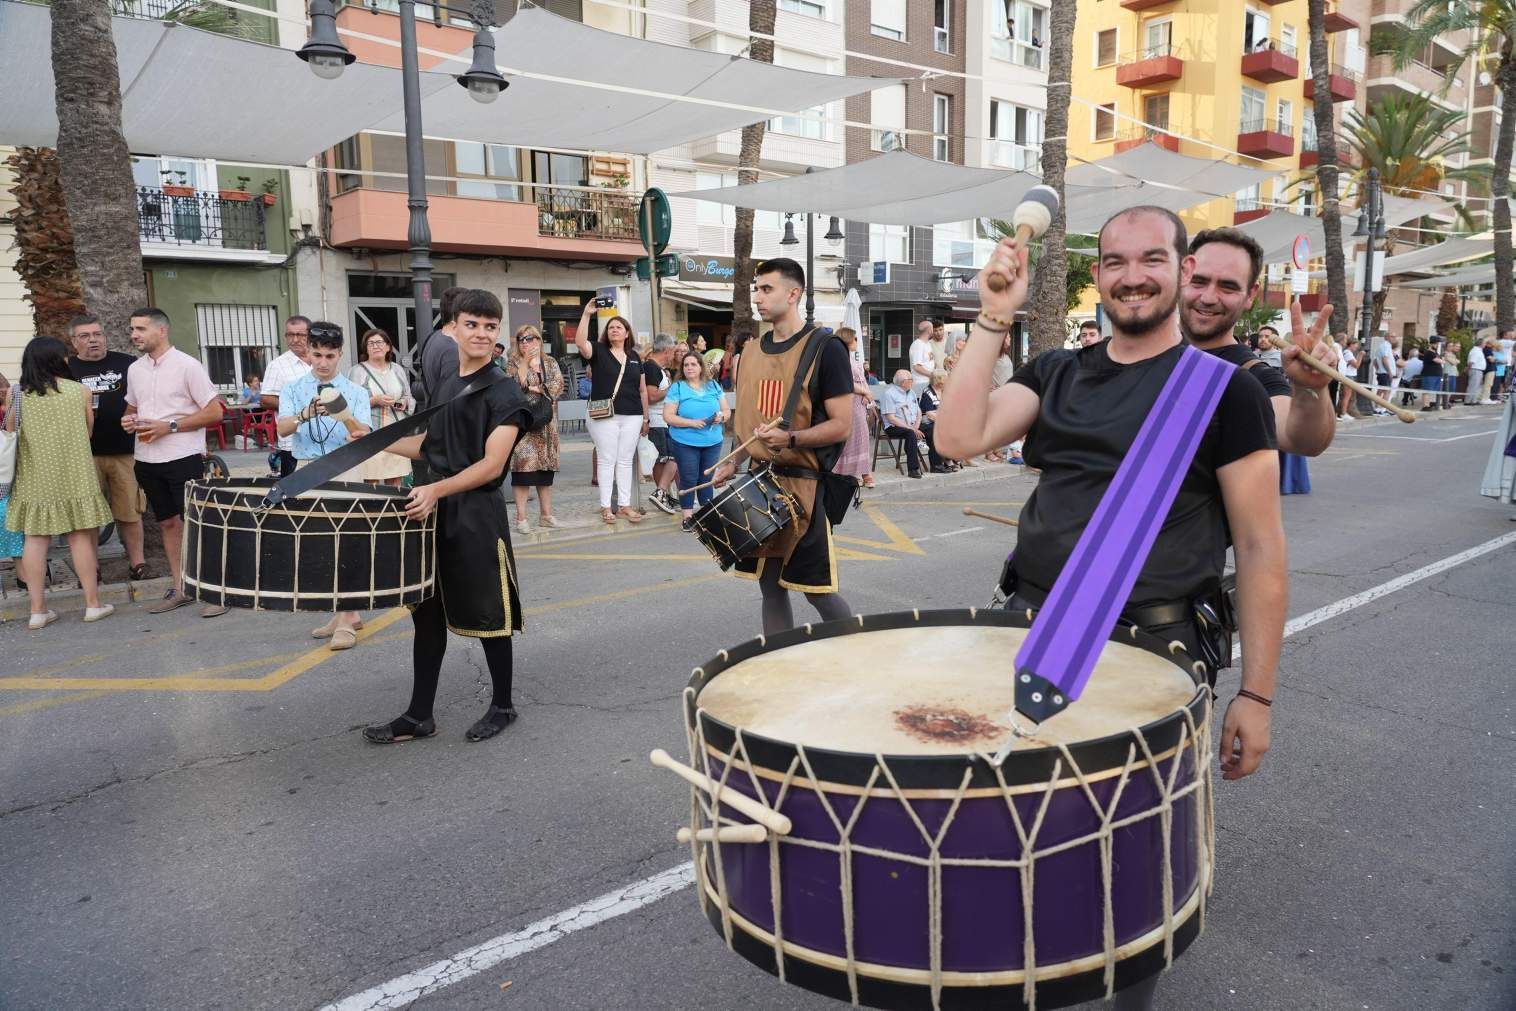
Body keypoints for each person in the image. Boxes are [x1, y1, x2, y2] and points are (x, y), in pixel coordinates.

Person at [936, 203, 1283, 890]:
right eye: (1117, 262)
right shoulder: (1058, 371)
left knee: (1140, 856)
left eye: (1152, 258)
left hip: (1156, 652)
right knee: (1022, 828)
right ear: (1098, 276)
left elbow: (1261, 546)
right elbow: (955, 437)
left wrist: (1258, 695)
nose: (1133, 277)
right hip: (1030, 633)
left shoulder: (1227, 392)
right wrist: (994, 314)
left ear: (1182, 270)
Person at [362, 288, 541, 744]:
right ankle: (419, 714)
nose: (481, 334)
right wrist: (371, 439)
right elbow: (429, 446)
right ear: (454, 327)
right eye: (472, 325)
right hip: (436, 509)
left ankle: (503, 705)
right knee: (426, 614)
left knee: (490, 614)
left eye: (489, 326)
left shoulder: (504, 391)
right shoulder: (446, 385)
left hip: (476, 513)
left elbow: (491, 465)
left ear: (497, 332)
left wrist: (436, 488)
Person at [712, 257, 855, 635]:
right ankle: (778, 661)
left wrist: (791, 438)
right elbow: (749, 417)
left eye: (766, 289)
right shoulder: (751, 352)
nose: (757, 297)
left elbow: (843, 425)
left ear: (793, 294)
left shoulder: (826, 348)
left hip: (803, 488)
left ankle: (861, 649)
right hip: (759, 484)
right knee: (769, 584)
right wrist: (735, 458)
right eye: (755, 289)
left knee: (816, 589)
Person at [1178, 228, 1337, 457]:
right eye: (1199, 281)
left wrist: (1310, 388)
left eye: (1228, 287)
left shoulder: (1256, 377)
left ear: (1251, 295)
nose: (1209, 297)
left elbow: (1303, 441)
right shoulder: (1139, 354)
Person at [3, 336, 115, 629]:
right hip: (75, 475)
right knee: (80, 538)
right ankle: (93, 605)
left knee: (36, 541)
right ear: (57, 360)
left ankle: (38, 610)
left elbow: (10, 432)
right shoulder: (80, 391)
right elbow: (88, 432)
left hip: (34, 478)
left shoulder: (16, 394)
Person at [122, 307, 225, 616]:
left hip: (182, 456)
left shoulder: (188, 366)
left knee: (197, 524)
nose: (134, 335)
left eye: (140, 329)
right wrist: (129, 421)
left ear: (161, 331)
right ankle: (181, 588)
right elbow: (130, 409)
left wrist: (172, 426)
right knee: (167, 523)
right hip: (146, 459)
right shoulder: (135, 369)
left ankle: (215, 593)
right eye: (132, 329)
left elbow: (215, 412)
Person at [277, 321, 372, 650]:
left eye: (330, 355)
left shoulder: (357, 391)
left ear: (340, 354)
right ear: (308, 352)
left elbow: (364, 433)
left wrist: (345, 417)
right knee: (320, 545)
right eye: (316, 354)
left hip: (346, 467)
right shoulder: (292, 389)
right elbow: (283, 429)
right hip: (307, 468)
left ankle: (347, 616)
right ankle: (344, 612)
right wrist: (305, 414)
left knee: (347, 542)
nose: (322, 362)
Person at [67, 313, 148, 580]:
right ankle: (92, 570)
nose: (93, 340)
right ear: (73, 341)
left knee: (130, 511)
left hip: (124, 451)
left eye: (97, 334)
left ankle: (138, 564)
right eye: (85, 336)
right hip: (83, 456)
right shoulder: (66, 369)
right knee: (87, 517)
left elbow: (145, 398)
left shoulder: (128, 364)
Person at [574, 298, 648, 525]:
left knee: (625, 460)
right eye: (611, 327)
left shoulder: (635, 357)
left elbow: (642, 390)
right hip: (604, 414)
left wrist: (646, 417)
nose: (614, 330)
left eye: (619, 327)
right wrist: (587, 314)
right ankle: (606, 507)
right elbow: (579, 342)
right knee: (607, 459)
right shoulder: (598, 350)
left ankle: (625, 505)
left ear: (627, 333)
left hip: (633, 414)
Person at [507, 324, 563, 532]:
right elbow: (512, 389)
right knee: (523, 471)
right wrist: (524, 364)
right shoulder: (513, 362)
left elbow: (557, 387)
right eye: (521, 339)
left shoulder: (550, 362)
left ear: (539, 340)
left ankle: (546, 515)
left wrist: (530, 387)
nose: (526, 343)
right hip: (524, 425)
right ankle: (521, 518)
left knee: (544, 473)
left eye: (530, 339)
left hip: (546, 424)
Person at [664, 349, 728, 530]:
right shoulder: (677, 387)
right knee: (689, 477)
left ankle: (707, 514)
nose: (689, 367)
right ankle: (688, 517)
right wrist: (690, 423)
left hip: (713, 441)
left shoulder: (714, 386)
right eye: (686, 365)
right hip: (685, 441)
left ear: (701, 367)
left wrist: (721, 417)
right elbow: (668, 416)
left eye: (693, 364)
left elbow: (727, 412)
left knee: (706, 478)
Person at [346, 328, 414, 486]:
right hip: (371, 434)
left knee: (396, 480)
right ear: (366, 348)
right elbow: (351, 405)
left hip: (396, 432)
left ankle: (395, 510)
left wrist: (404, 402)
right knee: (372, 480)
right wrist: (374, 400)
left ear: (388, 347)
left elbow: (409, 396)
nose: (375, 346)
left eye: (379, 342)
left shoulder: (397, 369)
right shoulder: (358, 371)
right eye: (371, 343)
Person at [260, 315, 312, 477]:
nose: (295, 339)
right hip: (293, 440)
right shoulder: (277, 365)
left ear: (310, 335)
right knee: (294, 491)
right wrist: (298, 407)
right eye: (290, 334)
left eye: (300, 335)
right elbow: (266, 399)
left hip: (323, 437)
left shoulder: (320, 360)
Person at [643, 333, 681, 515]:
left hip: (663, 421)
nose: (674, 355)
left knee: (666, 459)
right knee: (664, 459)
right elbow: (651, 396)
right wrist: (671, 389)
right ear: (666, 351)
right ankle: (661, 493)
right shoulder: (651, 368)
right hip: (656, 421)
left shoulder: (658, 369)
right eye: (673, 351)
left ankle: (663, 494)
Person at [834, 327, 875, 489]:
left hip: (860, 402)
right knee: (855, 437)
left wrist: (868, 395)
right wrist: (864, 391)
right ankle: (856, 473)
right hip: (850, 401)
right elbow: (846, 382)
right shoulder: (841, 360)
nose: (857, 342)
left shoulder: (851, 359)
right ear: (849, 340)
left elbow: (860, 381)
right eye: (855, 339)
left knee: (861, 437)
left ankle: (863, 472)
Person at [879, 370, 930, 478]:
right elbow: (891, 418)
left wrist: (916, 425)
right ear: (903, 382)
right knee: (910, 434)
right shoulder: (889, 394)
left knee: (932, 429)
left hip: (912, 424)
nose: (913, 381)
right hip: (895, 427)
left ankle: (937, 464)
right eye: (911, 379)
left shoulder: (911, 392)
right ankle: (913, 469)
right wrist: (912, 429)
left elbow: (919, 411)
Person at [919, 369, 960, 472]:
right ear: (939, 380)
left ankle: (949, 459)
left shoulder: (944, 391)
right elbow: (929, 414)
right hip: (927, 423)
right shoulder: (927, 393)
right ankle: (937, 465)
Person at [908, 319, 935, 398]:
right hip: (920, 383)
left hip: (928, 382)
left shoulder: (927, 344)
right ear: (929, 330)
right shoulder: (918, 345)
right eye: (932, 328)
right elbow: (917, 367)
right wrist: (933, 375)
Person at [1467, 338, 1488, 407]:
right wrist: (1468, 369)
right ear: (1481, 343)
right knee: (1473, 385)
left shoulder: (1478, 350)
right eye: (1484, 343)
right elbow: (1471, 362)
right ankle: (1468, 401)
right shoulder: (1475, 351)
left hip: (1478, 370)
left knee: (1477, 386)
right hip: (1475, 369)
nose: (1485, 344)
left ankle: (1474, 400)